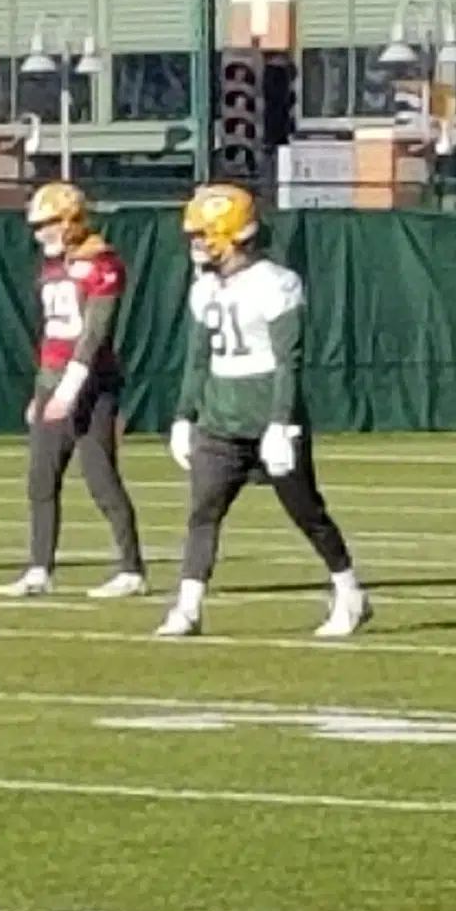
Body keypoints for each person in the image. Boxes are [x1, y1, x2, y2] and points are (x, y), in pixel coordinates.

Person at [158, 184, 370, 640]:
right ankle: (188, 608)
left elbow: (288, 361)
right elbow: (198, 359)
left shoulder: (276, 282)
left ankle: (349, 591)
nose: (195, 243)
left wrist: (280, 423)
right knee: (203, 512)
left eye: (202, 234)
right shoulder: (205, 288)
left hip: (268, 418)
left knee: (306, 512)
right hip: (219, 419)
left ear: (231, 234)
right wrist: (183, 415)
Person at [0, 182, 147, 600]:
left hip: (92, 385)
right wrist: (42, 388)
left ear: (71, 220)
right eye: (38, 225)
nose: (41, 232)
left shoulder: (102, 263)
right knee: (41, 478)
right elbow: (51, 336)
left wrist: (69, 388)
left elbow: (95, 334)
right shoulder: (53, 266)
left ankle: (132, 569)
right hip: (54, 380)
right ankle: (39, 569)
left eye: (48, 223)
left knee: (101, 478)